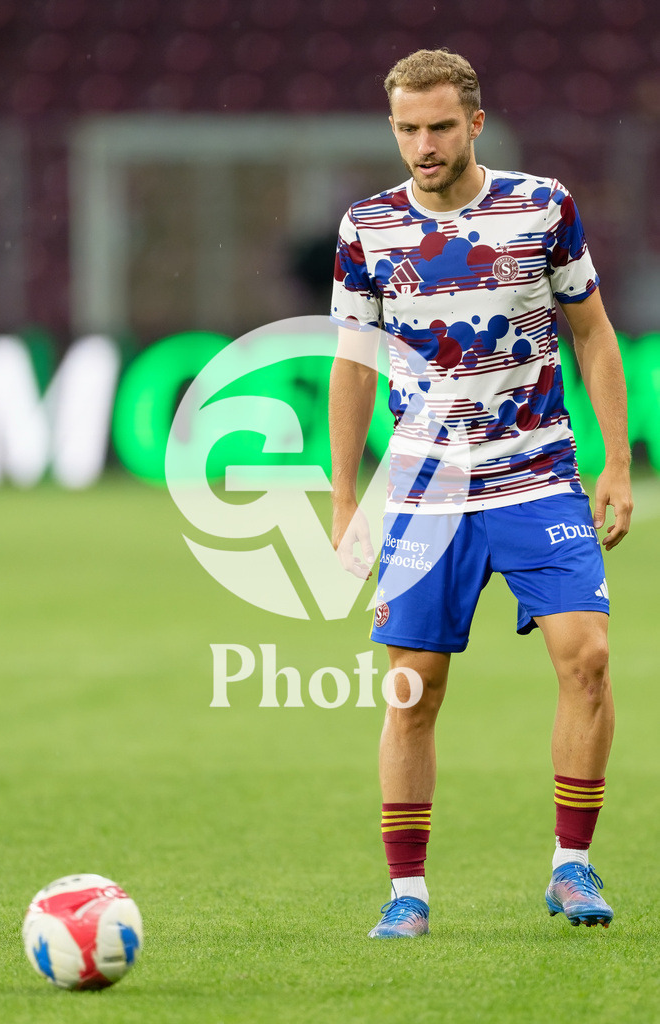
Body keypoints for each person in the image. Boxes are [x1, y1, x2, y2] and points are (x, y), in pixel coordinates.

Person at [328, 48, 632, 938]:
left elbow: (595, 336)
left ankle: (570, 867)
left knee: (587, 658)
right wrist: (343, 498)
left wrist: (615, 462)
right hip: (425, 489)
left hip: (538, 474)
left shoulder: (542, 206)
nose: (421, 145)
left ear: (474, 124)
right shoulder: (367, 228)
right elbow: (351, 367)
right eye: (406, 129)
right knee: (413, 690)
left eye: (437, 127)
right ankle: (407, 891)